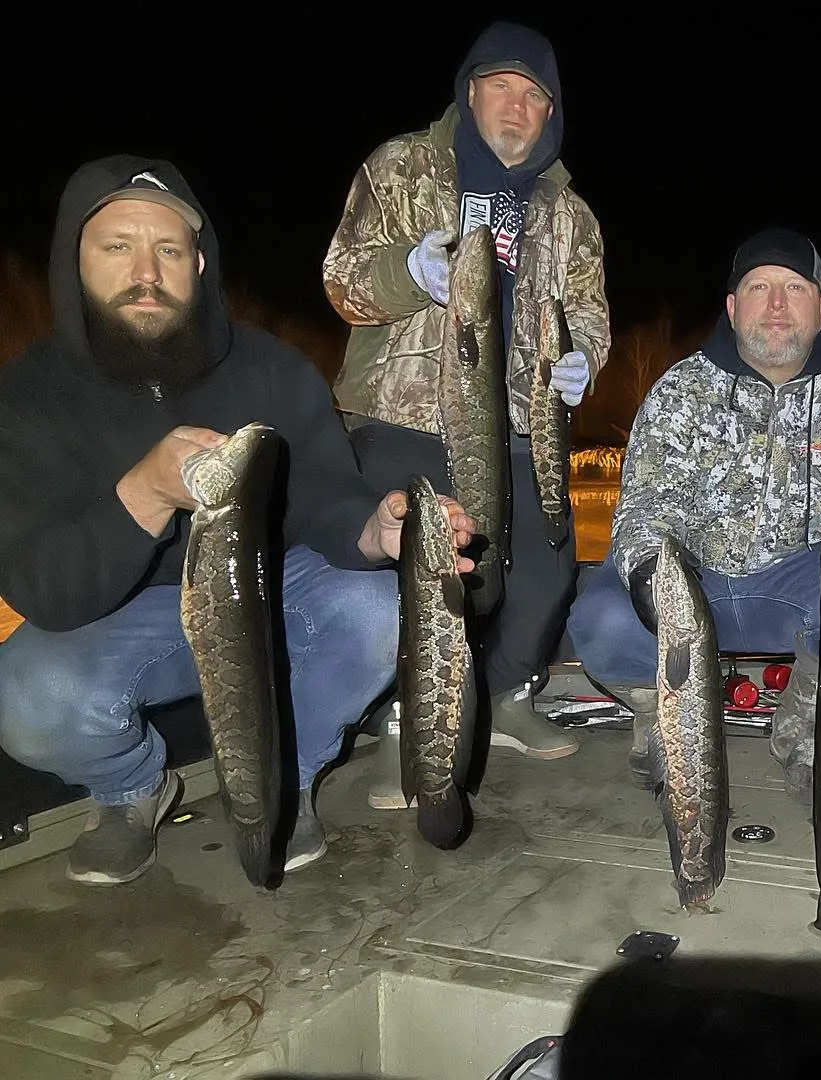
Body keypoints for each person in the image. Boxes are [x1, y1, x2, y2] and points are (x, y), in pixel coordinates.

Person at [0, 155, 476, 886]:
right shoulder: (26, 395)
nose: (146, 272)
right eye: (118, 246)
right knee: (26, 696)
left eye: (167, 250)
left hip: (269, 592)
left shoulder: (271, 368)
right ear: (75, 259)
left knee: (381, 609)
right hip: (120, 615)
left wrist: (372, 530)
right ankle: (131, 790)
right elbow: (42, 586)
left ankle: (289, 778)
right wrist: (145, 494)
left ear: (197, 262)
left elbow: (321, 490)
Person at [323, 19, 611, 797]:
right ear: (470, 92)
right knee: (429, 570)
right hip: (404, 416)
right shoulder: (402, 167)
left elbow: (590, 312)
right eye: (502, 87)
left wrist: (584, 358)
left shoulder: (569, 214)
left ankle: (507, 694)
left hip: (522, 422)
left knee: (546, 565)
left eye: (534, 96)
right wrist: (408, 273)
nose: (517, 108)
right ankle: (406, 724)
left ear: (550, 113)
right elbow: (342, 279)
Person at [566, 227, 821, 794]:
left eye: (794, 288)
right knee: (600, 619)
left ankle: (808, 724)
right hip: (692, 586)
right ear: (732, 308)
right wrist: (652, 570)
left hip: (795, 591)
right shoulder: (679, 390)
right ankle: (663, 716)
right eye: (759, 288)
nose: (777, 304)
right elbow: (648, 505)